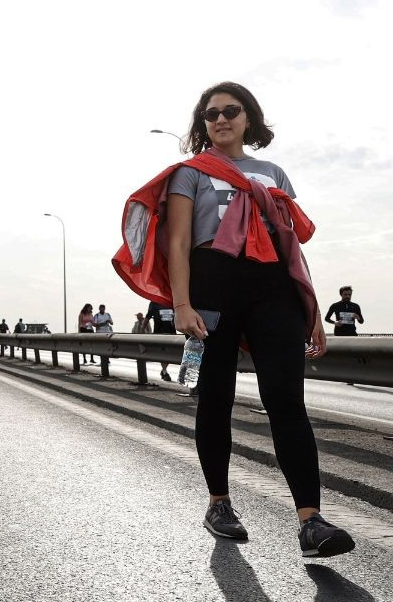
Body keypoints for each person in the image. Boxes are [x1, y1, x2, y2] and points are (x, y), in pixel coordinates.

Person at [120, 81, 352, 556]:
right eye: (211, 114)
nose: (221, 119)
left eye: (231, 110)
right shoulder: (190, 173)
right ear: (202, 125)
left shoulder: (273, 173)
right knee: (216, 396)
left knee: (286, 399)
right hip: (212, 287)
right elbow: (179, 243)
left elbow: (290, 246)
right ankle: (219, 503)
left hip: (273, 288)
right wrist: (180, 304)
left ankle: (311, 522)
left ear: (249, 118)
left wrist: (313, 310)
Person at [146, 300, 178, 381]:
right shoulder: (154, 302)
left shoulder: (172, 300)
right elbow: (148, 316)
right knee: (164, 352)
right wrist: (142, 329)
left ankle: (164, 370)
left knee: (169, 353)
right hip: (160, 333)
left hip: (171, 332)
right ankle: (164, 372)